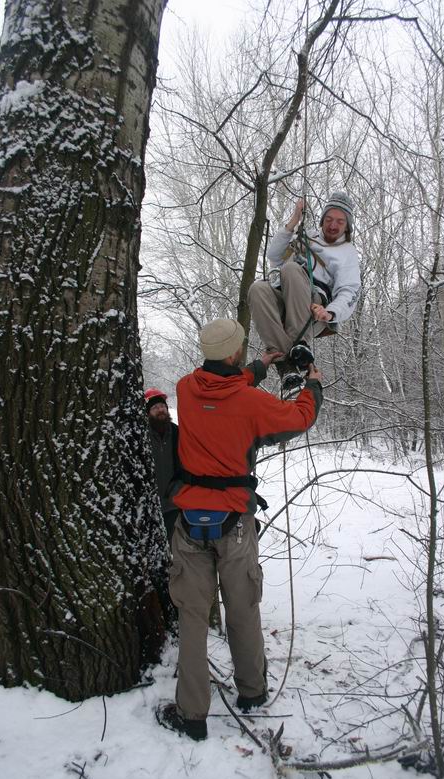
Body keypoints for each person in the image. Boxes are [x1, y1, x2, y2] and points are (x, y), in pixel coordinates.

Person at [155, 318, 322, 741]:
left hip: (189, 521)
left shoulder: (185, 388)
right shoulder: (251, 403)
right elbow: (300, 417)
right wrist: (313, 384)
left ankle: (192, 715)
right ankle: (252, 691)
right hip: (235, 525)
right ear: (232, 353)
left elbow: (224, 381)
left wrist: (258, 366)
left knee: (192, 617)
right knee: (242, 608)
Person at [248, 190, 361, 378]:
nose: (333, 225)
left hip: (313, 309)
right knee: (257, 289)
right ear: (322, 219)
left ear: (347, 226)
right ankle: (287, 365)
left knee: (291, 269)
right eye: (329, 219)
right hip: (285, 296)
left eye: (340, 222)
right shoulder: (307, 236)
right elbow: (274, 256)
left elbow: (349, 291)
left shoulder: (347, 252)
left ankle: (301, 344)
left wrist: (330, 312)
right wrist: (293, 223)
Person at [145, 388, 180, 545]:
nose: (160, 410)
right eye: (155, 407)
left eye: (162, 406)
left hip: (175, 503)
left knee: (176, 547)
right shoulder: (141, 436)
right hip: (151, 505)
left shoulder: (177, 433)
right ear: (148, 413)